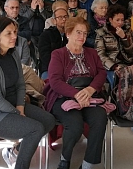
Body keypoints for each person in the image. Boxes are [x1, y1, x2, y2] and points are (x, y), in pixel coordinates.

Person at [0, 16, 55, 169]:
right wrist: (17, 113)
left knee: (48, 120)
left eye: (15, 32)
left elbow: (20, 84)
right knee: (35, 129)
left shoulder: (13, 53)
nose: (14, 36)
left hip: (11, 103)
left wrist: (20, 107)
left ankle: (15, 152)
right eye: (8, 33)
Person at [44, 16, 107, 169]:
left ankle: (88, 164)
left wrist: (90, 89)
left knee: (100, 118)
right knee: (74, 124)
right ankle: (65, 160)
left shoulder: (91, 53)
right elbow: (55, 81)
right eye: (78, 32)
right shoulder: (58, 54)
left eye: (85, 33)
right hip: (63, 96)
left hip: (89, 95)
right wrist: (76, 94)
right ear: (68, 34)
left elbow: (101, 73)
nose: (82, 37)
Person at [95, 4, 133, 85]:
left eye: (122, 20)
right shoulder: (101, 32)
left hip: (126, 63)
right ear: (110, 20)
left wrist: (124, 38)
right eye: (117, 20)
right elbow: (100, 54)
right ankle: (117, 97)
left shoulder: (127, 30)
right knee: (118, 80)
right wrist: (114, 66)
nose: (120, 23)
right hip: (110, 65)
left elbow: (132, 52)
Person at [38, 4, 68, 79]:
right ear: (54, 21)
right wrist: (58, 67)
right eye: (60, 17)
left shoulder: (72, 35)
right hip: (49, 68)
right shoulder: (46, 35)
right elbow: (45, 56)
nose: (64, 19)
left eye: (65, 17)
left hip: (69, 68)